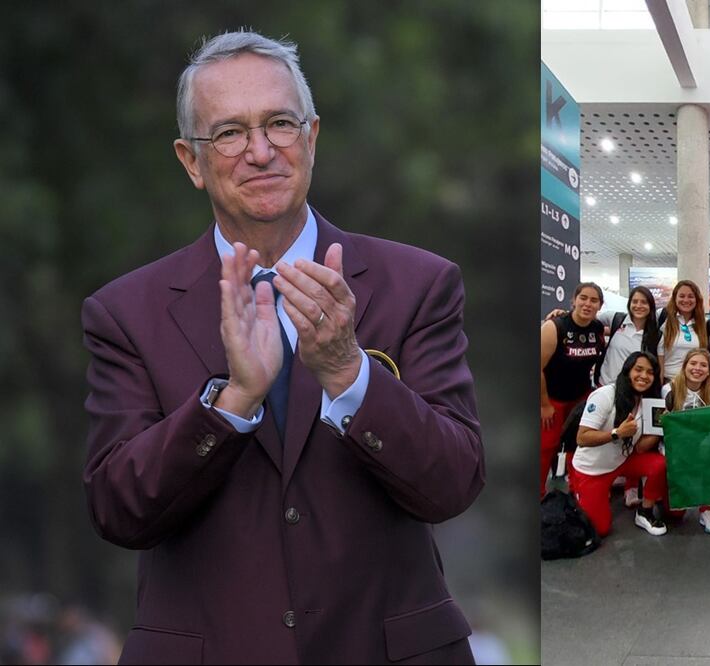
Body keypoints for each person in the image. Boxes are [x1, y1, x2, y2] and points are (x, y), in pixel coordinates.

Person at [81, 32, 482, 664]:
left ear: (312, 137)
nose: (261, 151)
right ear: (191, 161)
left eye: (279, 124)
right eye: (230, 134)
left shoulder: (418, 284)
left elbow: (455, 483)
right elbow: (117, 510)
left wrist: (350, 374)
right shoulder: (126, 312)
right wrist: (232, 402)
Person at [572, 352, 669, 537]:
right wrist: (616, 433)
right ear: (627, 371)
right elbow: (582, 438)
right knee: (599, 530)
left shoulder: (649, 401)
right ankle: (579, 494)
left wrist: (661, 427)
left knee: (660, 464)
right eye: (638, 369)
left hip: (623, 461)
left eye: (650, 372)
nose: (644, 376)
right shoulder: (605, 395)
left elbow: (640, 448)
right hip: (594, 469)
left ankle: (645, 512)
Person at [541, 282, 606, 495]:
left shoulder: (597, 328)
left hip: (581, 397)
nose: (588, 303)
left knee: (578, 444)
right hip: (552, 399)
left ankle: (577, 489)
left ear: (600, 305)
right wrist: (544, 404)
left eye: (593, 300)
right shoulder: (554, 326)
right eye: (583, 298)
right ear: (574, 300)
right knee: (547, 446)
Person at [662, 349, 710, 533]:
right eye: (693, 363)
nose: (698, 368)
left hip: (699, 447)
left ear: (708, 371)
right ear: (684, 366)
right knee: (675, 514)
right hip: (673, 448)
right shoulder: (669, 390)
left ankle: (708, 510)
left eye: (703, 365)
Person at [595, 286, 662, 387]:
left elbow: (658, 369)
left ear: (651, 306)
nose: (638, 306)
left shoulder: (656, 336)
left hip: (632, 391)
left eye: (644, 302)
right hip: (604, 386)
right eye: (635, 301)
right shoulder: (616, 319)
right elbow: (588, 320)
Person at [659, 280, 710, 383]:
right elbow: (660, 353)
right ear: (675, 298)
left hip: (694, 383)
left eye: (691, 296)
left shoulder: (704, 324)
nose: (686, 300)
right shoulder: (664, 318)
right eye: (682, 296)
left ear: (697, 299)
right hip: (669, 381)